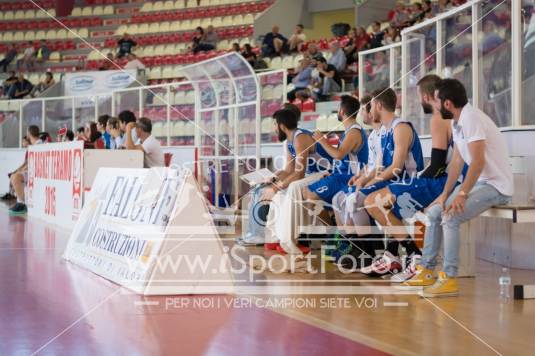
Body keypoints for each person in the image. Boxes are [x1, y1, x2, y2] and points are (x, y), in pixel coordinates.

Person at [405, 79, 513, 297]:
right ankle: (427, 269)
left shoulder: (471, 118)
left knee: (451, 216)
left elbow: (478, 162)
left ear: (447, 103)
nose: (435, 105)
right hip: (479, 183)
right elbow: (457, 161)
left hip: (496, 186)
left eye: (438, 100)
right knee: (435, 211)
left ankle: (449, 278)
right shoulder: (457, 121)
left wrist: (462, 194)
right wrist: (444, 194)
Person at [364, 75, 452, 281]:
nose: (418, 101)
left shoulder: (437, 119)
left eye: (419, 96)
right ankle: (397, 255)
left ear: (427, 95)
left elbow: (438, 165)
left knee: (373, 201)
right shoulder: (447, 118)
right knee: (374, 201)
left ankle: (414, 256)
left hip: (440, 182)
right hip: (443, 179)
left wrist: (420, 181)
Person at [337, 88, 424, 273]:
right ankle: (390, 254)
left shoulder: (400, 127)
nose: (368, 111)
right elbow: (378, 165)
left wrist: (369, 182)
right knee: (356, 196)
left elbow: (397, 167)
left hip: (410, 181)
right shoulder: (385, 131)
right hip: (394, 181)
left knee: (361, 198)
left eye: (370, 107)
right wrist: (364, 179)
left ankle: (378, 253)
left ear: (377, 105)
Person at [262, 107, 333, 255]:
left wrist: (275, 187)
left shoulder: (300, 138)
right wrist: (274, 180)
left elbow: (299, 173)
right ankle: (274, 238)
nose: (274, 128)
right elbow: (289, 170)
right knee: (280, 193)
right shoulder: (290, 140)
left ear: (282, 126)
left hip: (327, 172)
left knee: (293, 187)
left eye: (275, 125)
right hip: (312, 174)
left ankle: (291, 240)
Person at [302, 95, 368, 219]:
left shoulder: (354, 132)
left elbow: (338, 155)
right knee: (306, 191)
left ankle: (331, 230)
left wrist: (321, 140)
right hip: (340, 175)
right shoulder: (349, 130)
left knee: (310, 195)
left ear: (342, 111)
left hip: (348, 177)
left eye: (338, 108)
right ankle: (332, 220)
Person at [8, 125, 43, 215]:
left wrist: (19, 171)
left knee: (15, 177)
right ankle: (20, 202)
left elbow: (31, 164)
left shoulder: (39, 145)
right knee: (13, 176)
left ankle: (22, 204)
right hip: (32, 171)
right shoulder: (34, 146)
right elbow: (27, 163)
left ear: (29, 133)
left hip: (37, 173)